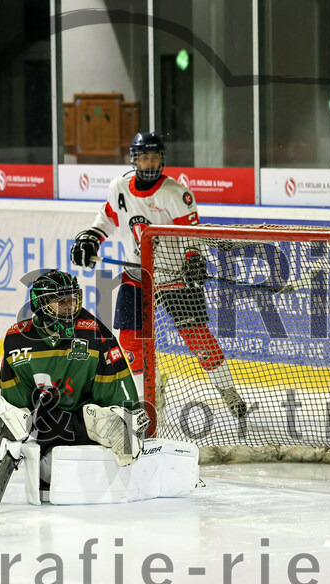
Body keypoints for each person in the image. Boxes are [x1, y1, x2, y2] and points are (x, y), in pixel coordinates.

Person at [0, 270, 198, 506]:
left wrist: (128, 419)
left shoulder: (95, 334)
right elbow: (15, 400)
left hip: (92, 422)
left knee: (109, 424)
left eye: (72, 300)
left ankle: (112, 429)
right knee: (47, 450)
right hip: (54, 423)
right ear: (40, 304)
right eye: (61, 302)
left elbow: (118, 387)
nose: (70, 308)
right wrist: (11, 430)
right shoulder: (17, 339)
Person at [70, 132, 247, 418]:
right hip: (136, 277)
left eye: (154, 157)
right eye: (144, 157)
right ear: (134, 160)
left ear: (161, 159)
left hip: (175, 277)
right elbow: (106, 220)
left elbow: (192, 235)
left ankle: (228, 391)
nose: (149, 162)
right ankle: (149, 395)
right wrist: (91, 237)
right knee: (130, 343)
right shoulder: (119, 188)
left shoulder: (176, 193)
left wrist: (194, 259)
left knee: (197, 338)